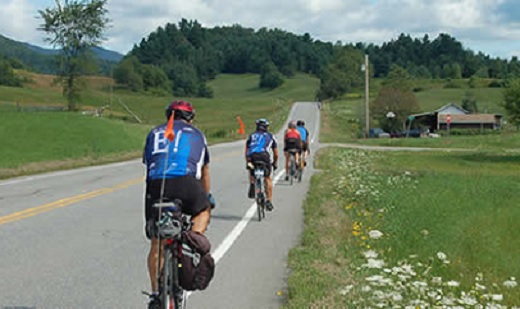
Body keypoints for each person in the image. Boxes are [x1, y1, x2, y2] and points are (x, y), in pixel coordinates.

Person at [142, 100, 214, 309]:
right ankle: (191, 240)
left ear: (169, 117)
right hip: (185, 181)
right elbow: (204, 171)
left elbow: (150, 165)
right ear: (191, 119)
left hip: (156, 186)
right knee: (203, 210)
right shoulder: (197, 135)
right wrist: (205, 197)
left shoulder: (153, 133)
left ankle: (156, 295)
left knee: (157, 243)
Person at [245, 118, 278, 211]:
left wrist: (248, 161)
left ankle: (252, 184)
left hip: (253, 157)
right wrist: (275, 163)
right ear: (266, 127)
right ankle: (269, 201)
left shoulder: (252, 136)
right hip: (264, 157)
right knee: (267, 178)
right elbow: (276, 153)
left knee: (251, 169)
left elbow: (247, 151)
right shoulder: (270, 136)